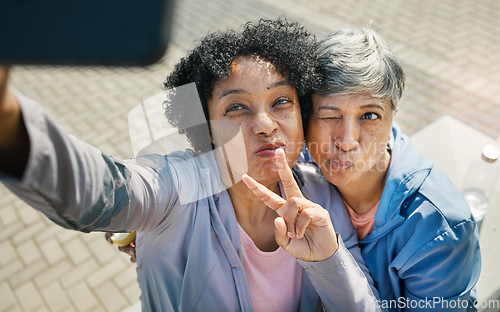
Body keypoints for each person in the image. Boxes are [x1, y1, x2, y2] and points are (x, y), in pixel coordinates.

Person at [0, 19, 381, 311]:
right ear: (207, 131)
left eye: (281, 102)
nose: (265, 125)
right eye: (236, 108)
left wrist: (328, 261)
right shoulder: (178, 187)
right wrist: (8, 120)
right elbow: (106, 191)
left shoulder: (323, 198)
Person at [258, 27, 480, 311]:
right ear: (305, 117)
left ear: (393, 118)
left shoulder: (438, 226)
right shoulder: (293, 164)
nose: (347, 141)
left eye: (370, 116)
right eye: (329, 115)